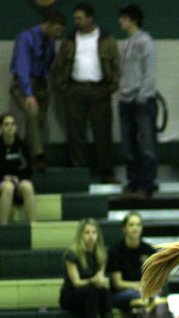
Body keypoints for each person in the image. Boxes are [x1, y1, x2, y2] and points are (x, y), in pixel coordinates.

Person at [51, 2, 119, 183]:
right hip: (75, 88)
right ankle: (78, 172)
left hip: (100, 89)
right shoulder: (70, 40)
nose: (77, 21)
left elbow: (116, 65)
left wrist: (111, 87)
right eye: (75, 18)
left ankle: (106, 172)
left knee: (103, 132)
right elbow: (59, 65)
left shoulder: (106, 39)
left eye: (80, 18)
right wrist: (62, 86)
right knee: (75, 132)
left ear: (90, 18)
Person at [9, 10, 65, 171]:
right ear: (47, 24)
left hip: (41, 83)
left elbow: (48, 64)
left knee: (39, 121)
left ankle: (29, 156)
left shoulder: (50, 41)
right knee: (32, 113)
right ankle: (38, 155)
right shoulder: (26, 38)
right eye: (57, 30)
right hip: (23, 83)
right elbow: (22, 68)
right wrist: (28, 94)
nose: (58, 34)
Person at [117, 4, 157, 201]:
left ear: (132, 19)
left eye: (123, 18)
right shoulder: (126, 44)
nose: (120, 21)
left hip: (141, 100)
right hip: (125, 99)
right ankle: (132, 182)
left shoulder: (145, 41)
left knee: (147, 144)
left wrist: (142, 95)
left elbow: (149, 72)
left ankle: (147, 184)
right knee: (128, 145)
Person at [59, 218, 112, 318]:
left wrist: (99, 281)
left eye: (94, 232)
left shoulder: (101, 253)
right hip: (70, 294)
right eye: (87, 232)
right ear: (81, 235)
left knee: (105, 292)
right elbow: (76, 283)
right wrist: (93, 280)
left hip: (90, 292)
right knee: (91, 292)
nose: (91, 236)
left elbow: (101, 278)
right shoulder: (71, 254)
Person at [107, 211, 155, 318]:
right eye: (131, 225)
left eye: (138, 225)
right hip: (121, 294)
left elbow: (154, 277)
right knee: (137, 296)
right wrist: (138, 286)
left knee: (159, 293)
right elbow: (118, 283)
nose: (135, 228)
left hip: (144, 290)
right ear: (124, 228)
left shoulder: (148, 250)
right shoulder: (115, 250)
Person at [0, 114, 37, 225]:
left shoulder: (23, 145)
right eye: (6, 124)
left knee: (28, 186)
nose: (10, 127)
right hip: (2, 183)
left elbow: (28, 170)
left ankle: (33, 226)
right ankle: (3, 227)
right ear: (1, 127)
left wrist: (17, 178)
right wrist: (4, 177)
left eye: (12, 124)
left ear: (16, 127)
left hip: (18, 182)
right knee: (8, 187)